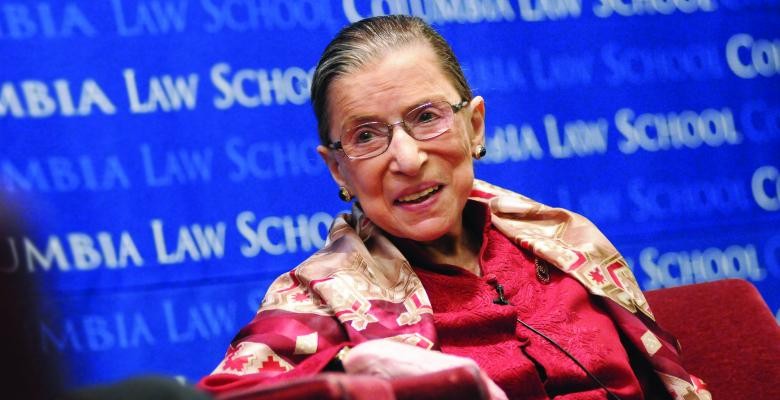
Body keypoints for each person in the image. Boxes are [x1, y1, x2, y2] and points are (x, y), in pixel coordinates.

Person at [198, 15, 710, 400]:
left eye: (426, 117)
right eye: (367, 136)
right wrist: (348, 372)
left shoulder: (565, 241)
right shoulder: (316, 300)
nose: (408, 158)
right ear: (339, 170)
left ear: (475, 126)